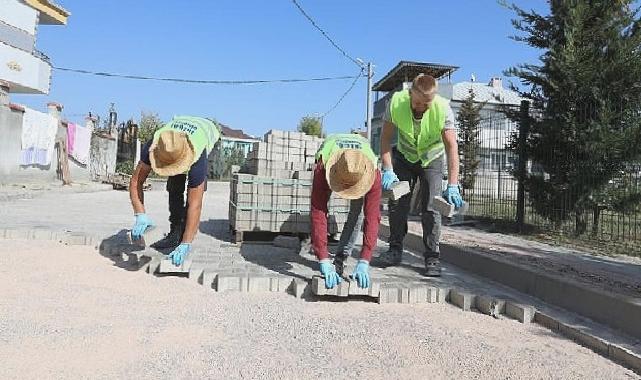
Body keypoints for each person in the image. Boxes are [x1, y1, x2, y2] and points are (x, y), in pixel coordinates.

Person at [378, 74, 464, 276]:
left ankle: (432, 258)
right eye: (417, 102)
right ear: (410, 94)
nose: (421, 107)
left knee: (431, 206)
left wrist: (452, 184)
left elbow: (452, 148)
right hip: (404, 157)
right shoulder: (396, 103)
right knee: (398, 203)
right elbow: (385, 139)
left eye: (426, 104)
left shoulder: (443, 109)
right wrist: (388, 169)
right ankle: (394, 250)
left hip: (431, 160)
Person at [129, 116, 220, 266]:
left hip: (206, 136)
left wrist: (186, 243)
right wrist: (140, 214)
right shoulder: (157, 143)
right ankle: (175, 233)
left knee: (195, 192)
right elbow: (135, 181)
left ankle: (184, 238)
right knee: (174, 187)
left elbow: (195, 204)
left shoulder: (198, 151)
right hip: (180, 141)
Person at [310, 133, 382, 289]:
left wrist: (365, 259)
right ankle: (324, 255)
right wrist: (322, 257)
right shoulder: (322, 168)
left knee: (358, 213)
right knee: (320, 209)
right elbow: (318, 212)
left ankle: (340, 258)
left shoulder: (374, 173)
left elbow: (373, 217)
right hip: (333, 163)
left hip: (360, 168)